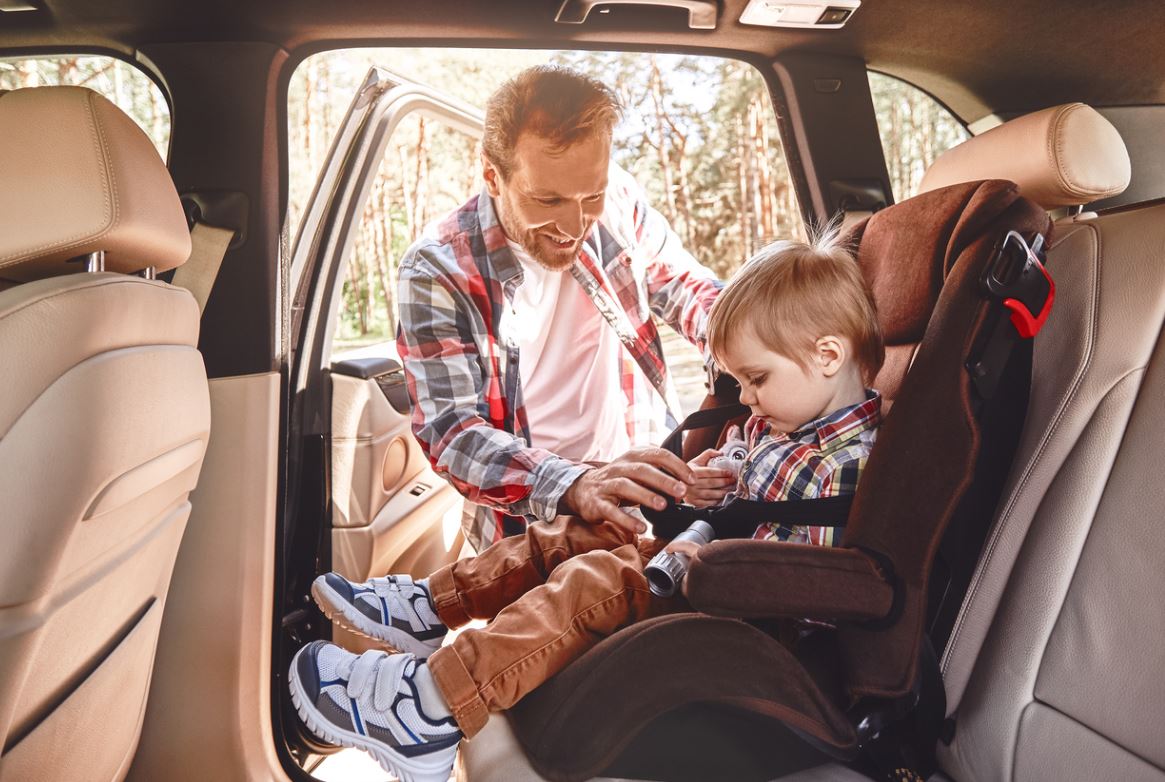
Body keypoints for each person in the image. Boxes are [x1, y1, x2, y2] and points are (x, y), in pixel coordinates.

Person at [287, 233, 886, 782]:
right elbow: (746, 468)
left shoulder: (845, 462)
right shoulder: (785, 423)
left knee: (594, 580)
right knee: (576, 531)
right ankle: (432, 606)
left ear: (829, 356)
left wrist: (709, 546)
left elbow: (801, 572)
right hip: (699, 556)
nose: (747, 402)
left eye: (756, 379)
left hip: (750, 606)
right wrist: (708, 478)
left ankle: (430, 707)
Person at [394, 64, 731, 553]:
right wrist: (576, 485)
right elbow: (452, 432)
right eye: (546, 198)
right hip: (528, 521)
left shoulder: (617, 200)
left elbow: (684, 286)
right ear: (492, 174)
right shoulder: (436, 269)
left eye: (589, 195)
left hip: (647, 489)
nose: (574, 225)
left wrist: (750, 339)